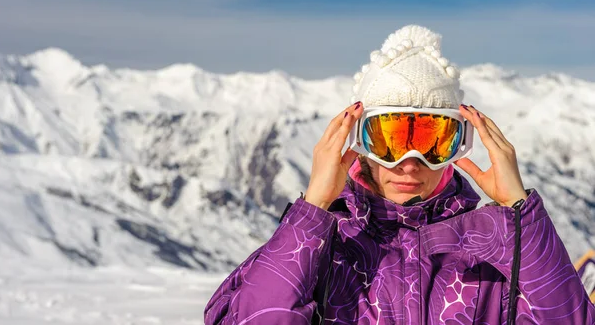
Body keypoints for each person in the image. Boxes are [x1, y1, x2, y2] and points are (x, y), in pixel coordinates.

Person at [204, 25, 595, 324]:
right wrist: (315, 209)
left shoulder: (495, 257)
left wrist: (520, 216)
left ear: (456, 146)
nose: (409, 162)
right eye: (389, 139)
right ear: (359, 141)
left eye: (432, 141)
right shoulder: (322, 250)